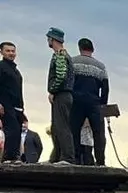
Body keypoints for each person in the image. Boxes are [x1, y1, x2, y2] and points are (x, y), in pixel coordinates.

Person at [71, 38, 108, 166]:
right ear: (92, 49)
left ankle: (75, 159)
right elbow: (105, 88)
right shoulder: (101, 66)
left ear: (80, 48)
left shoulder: (72, 62)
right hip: (94, 102)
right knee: (98, 134)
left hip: (76, 101)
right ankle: (101, 161)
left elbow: (68, 82)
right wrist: (102, 104)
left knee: (74, 131)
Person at [45, 27, 76, 164]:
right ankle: (56, 157)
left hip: (62, 94)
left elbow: (61, 75)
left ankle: (67, 157)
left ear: (52, 39)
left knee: (62, 126)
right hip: (65, 94)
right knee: (56, 127)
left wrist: (53, 90)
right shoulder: (64, 55)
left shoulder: (60, 55)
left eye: (49, 38)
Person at [0, 41, 24, 164]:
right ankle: (8, 158)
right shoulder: (1, 67)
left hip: (18, 106)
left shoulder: (16, 70)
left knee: (18, 131)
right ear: (2, 52)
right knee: (12, 130)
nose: (11, 53)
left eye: (13, 51)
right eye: (8, 51)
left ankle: (14, 156)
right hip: (6, 104)